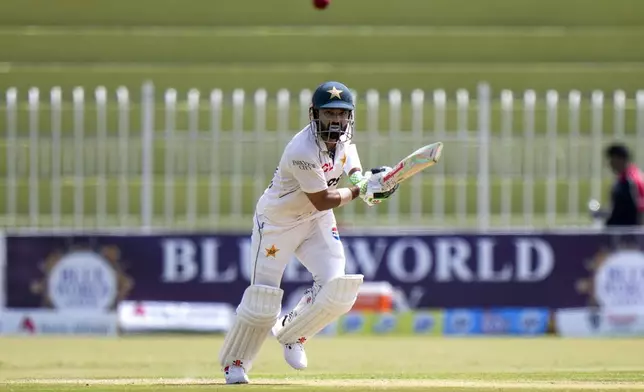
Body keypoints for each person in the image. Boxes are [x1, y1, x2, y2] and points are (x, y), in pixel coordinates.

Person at [217, 81, 399, 384]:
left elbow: (351, 165)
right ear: (314, 114)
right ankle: (235, 363)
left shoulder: (342, 141)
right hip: (277, 223)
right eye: (330, 114)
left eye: (343, 114)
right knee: (263, 302)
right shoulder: (301, 150)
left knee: (338, 290)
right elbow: (322, 198)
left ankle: (294, 334)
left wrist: (365, 184)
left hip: (316, 221)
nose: (337, 120)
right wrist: (361, 190)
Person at [602, 143, 644, 226]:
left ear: (620, 159)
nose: (610, 164)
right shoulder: (625, 178)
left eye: (612, 159)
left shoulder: (632, 180)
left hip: (629, 234)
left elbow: (640, 209)